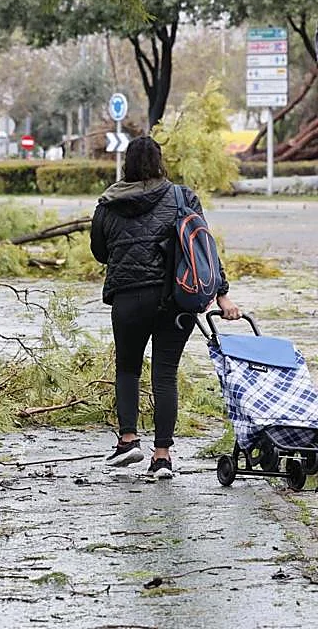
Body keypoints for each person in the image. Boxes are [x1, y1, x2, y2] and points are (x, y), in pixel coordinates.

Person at [90, 136, 240, 479]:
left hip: (128, 299)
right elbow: (203, 248)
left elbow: (100, 253)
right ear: (160, 162)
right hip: (176, 299)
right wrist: (222, 294)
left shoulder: (107, 204)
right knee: (165, 373)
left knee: (128, 369)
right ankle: (162, 457)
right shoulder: (181, 197)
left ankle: (128, 440)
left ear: (126, 163)